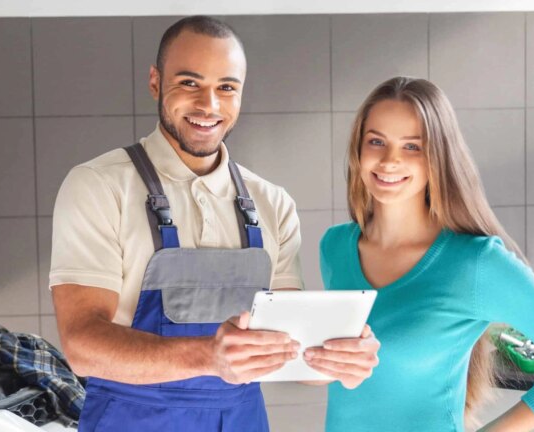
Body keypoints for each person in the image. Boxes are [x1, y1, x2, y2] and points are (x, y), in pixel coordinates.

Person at [49, 16, 379, 432]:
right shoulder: (99, 185)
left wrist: (340, 359)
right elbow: (82, 345)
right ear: (155, 82)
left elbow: (286, 347)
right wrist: (210, 356)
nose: (209, 105)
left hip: (241, 420)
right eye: (189, 83)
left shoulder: (272, 203)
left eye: (226, 87)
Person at [316, 77, 534, 432]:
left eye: (412, 147)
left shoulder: (475, 263)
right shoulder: (335, 248)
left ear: (438, 158)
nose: (390, 161)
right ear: (358, 148)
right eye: (376, 141)